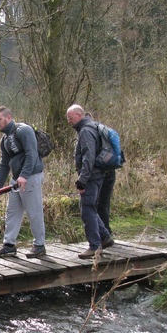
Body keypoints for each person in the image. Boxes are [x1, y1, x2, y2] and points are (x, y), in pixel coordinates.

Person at [0, 106, 46, 259]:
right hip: (16, 179)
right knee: (12, 212)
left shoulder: (23, 130)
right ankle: (9, 245)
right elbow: (4, 164)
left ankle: (39, 245)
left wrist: (24, 175)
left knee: (34, 211)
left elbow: (31, 153)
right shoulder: (5, 139)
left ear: (8, 118)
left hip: (31, 176)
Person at [66, 104, 114, 259]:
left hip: (91, 176)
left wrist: (82, 179)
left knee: (87, 209)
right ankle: (105, 237)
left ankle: (94, 246)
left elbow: (88, 156)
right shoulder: (91, 127)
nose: (69, 121)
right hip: (97, 175)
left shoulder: (86, 131)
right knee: (91, 207)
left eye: (70, 118)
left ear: (79, 115)